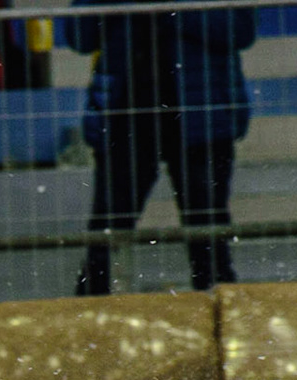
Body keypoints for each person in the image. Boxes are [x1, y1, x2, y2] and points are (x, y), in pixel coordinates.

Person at [64, 1, 254, 294]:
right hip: (125, 118)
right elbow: (80, 36)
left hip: (202, 120)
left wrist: (172, 9)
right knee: (104, 239)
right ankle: (86, 329)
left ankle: (224, 330)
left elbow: (240, 30)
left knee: (209, 239)